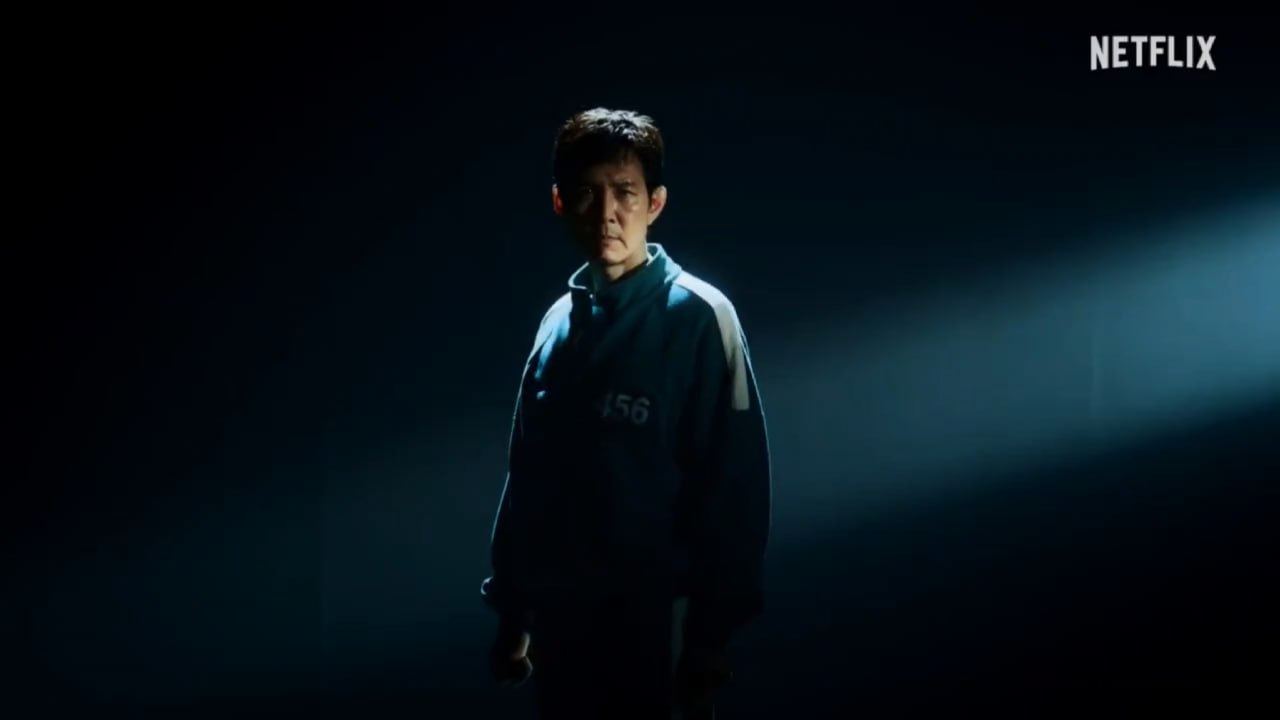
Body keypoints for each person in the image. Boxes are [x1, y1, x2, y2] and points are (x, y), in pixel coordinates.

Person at [480, 107, 773, 719]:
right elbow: (526, 478)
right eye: (588, 192)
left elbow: (735, 486)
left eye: (625, 192)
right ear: (560, 202)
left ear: (655, 203)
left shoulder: (700, 317)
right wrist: (514, 612)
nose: (607, 212)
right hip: (564, 630)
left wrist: (708, 638)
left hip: (659, 631)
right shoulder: (556, 326)